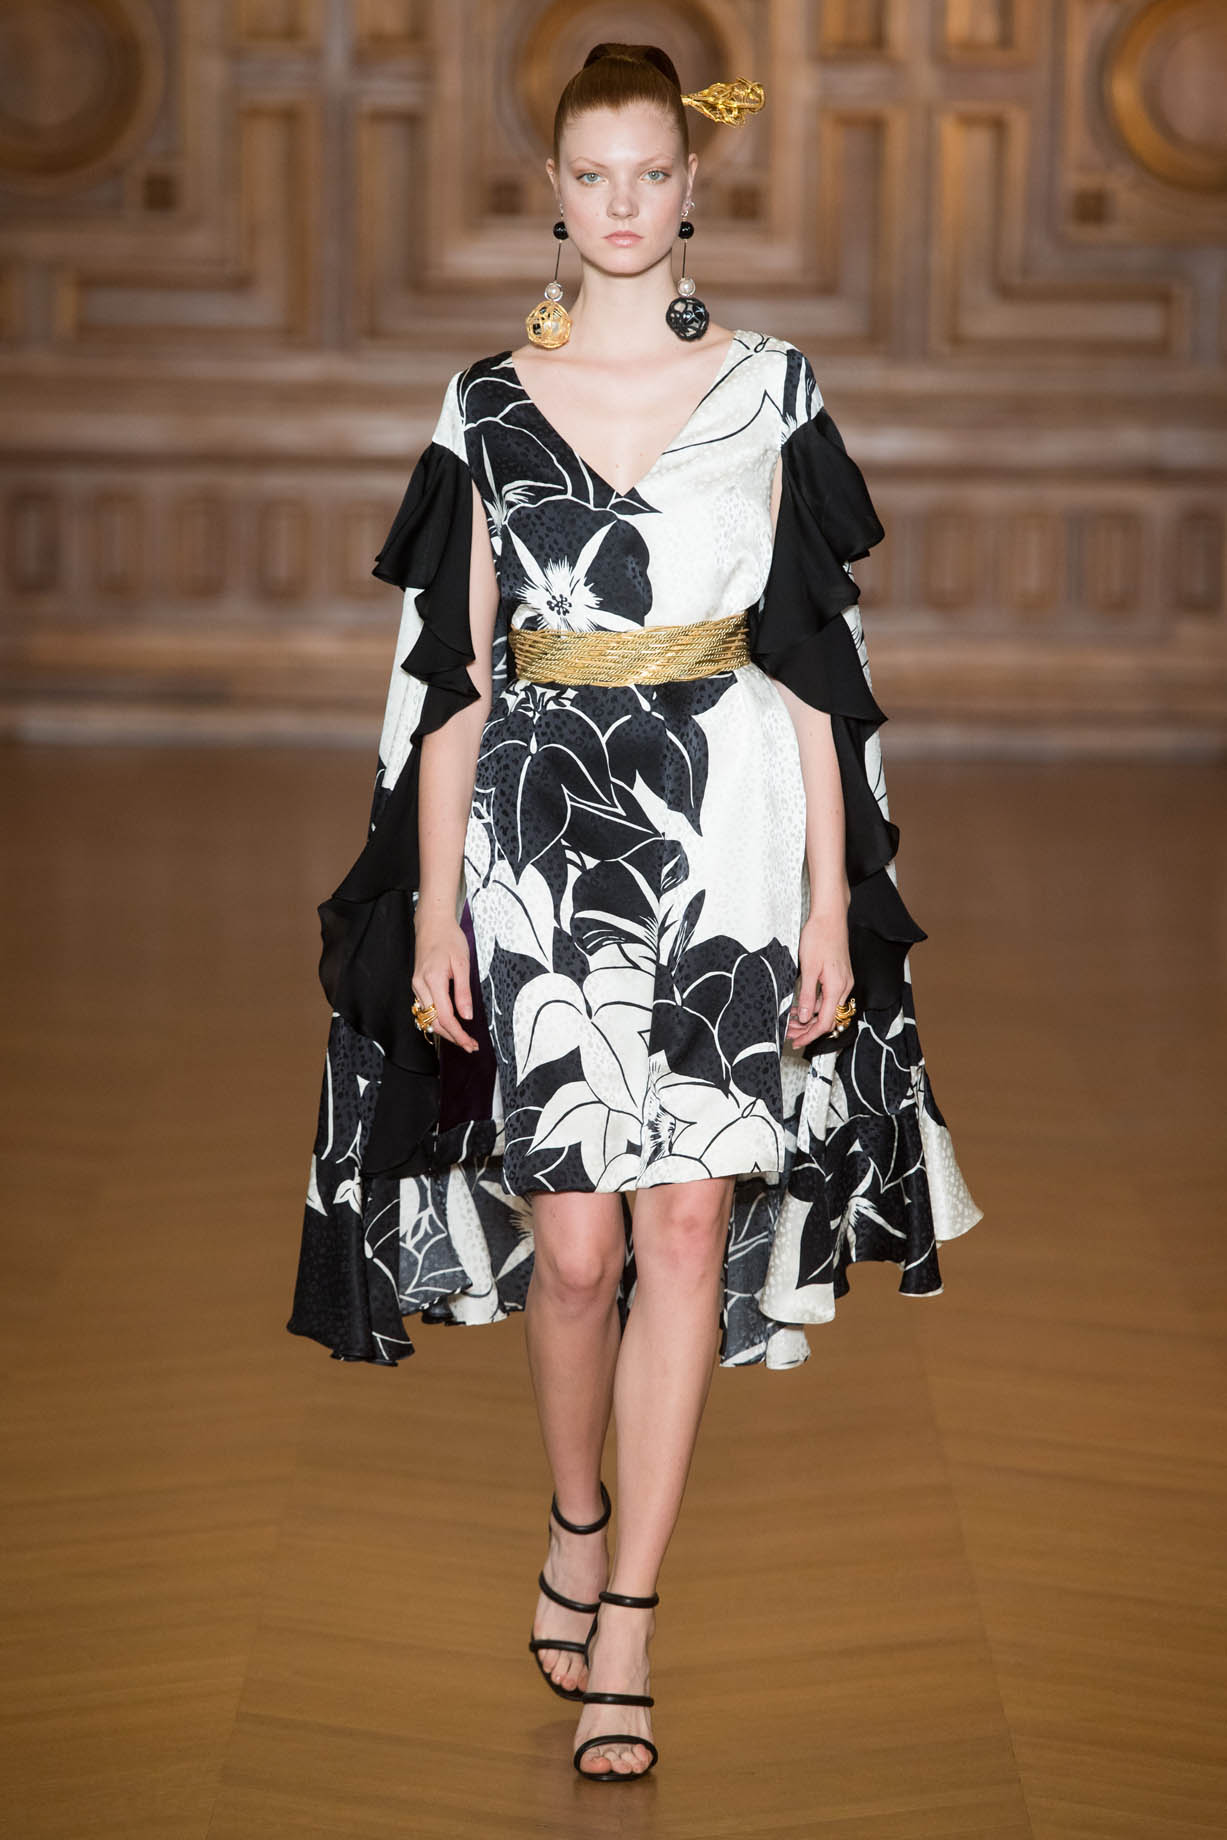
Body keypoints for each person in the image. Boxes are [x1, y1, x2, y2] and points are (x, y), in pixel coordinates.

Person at [287, 43, 983, 1782]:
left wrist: (832, 907)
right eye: (592, 176)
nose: (621, 204)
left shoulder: (773, 389)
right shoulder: (484, 403)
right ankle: (575, 1514)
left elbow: (818, 668)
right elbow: (446, 680)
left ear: (690, 185)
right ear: (556, 189)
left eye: (650, 174)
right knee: (578, 1251)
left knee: (681, 1231)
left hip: (731, 831)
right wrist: (432, 915)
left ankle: (631, 1628)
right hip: (534, 840)